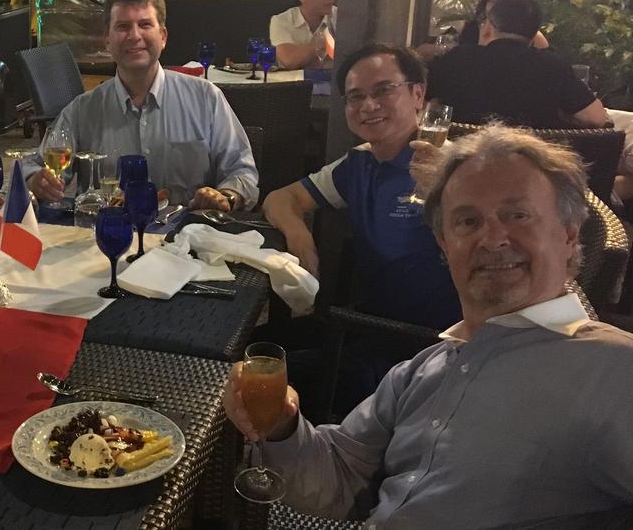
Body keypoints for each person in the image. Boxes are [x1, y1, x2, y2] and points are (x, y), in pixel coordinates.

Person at [225, 124, 633, 526]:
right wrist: (283, 425)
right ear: (444, 244)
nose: (493, 238)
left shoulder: (614, 372)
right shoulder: (423, 370)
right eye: (467, 222)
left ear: (568, 235)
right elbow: (341, 475)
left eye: (518, 215)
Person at [262, 44, 459, 411]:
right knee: (252, 356)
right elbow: (279, 199)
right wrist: (301, 237)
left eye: (383, 90)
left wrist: (451, 199)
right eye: (355, 97)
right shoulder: (360, 163)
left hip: (429, 354)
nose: (368, 105)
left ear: (418, 95)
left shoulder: (453, 171)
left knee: (260, 382)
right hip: (364, 331)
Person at [26, 0, 259, 210]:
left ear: (163, 36)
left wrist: (226, 197)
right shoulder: (82, 110)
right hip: (109, 230)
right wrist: (37, 180)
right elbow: (33, 167)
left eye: (145, 24)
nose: (134, 35)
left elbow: (242, 171)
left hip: (188, 230)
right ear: (107, 39)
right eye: (123, 27)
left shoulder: (206, 98)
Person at [428, 0, 606, 129]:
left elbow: (422, 104)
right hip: (528, 162)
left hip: (462, 159)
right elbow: (596, 118)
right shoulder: (552, 66)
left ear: (489, 26)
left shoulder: (458, 58)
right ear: (535, 34)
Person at [269, 0, 337, 70]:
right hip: (295, 81)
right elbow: (289, 61)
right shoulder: (281, 21)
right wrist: (325, 39)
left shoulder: (341, 17)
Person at [457, 0, 551, 49]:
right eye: (494, 2)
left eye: (509, 4)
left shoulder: (534, 37)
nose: (499, 8)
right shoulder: (472, 29)